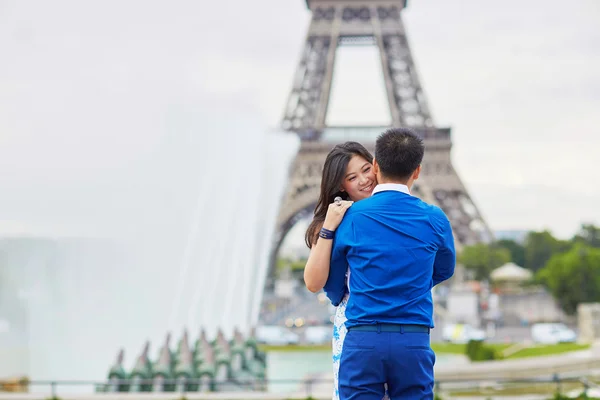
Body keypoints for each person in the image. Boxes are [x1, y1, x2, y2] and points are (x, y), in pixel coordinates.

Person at [324, 127, 456, 400]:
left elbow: (334, 284)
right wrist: (411, 283)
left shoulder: (351, 216)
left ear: (375, 165)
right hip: (413, 338)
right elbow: (445, 268)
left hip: (363, 339)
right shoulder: (434, 217)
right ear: (417, 171)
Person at [303, 142, 388, 400]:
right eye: (352, 177)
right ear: (341, 185)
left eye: (366, 169)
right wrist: (329, 226)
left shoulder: (393, 213)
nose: (364, 180)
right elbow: (313, 282)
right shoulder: (332, 224)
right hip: (356, 326)